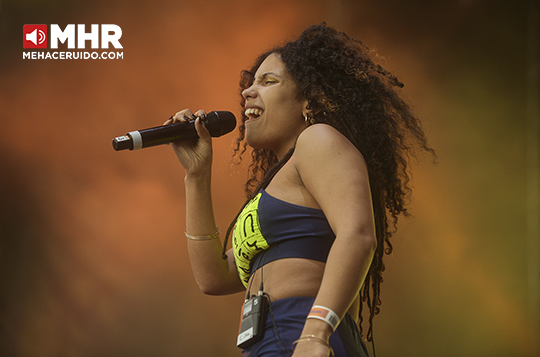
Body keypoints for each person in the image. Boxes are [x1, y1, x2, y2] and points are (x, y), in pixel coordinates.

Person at [165, 23, 434, 357]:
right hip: (271, 339)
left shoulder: (318, 140)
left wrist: (314, 334)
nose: (249, 92)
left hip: (302, 329)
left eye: (268, 81)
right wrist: (196, 174)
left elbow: (359, 234)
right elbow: (214, 278)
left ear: (310, 101)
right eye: (250, 84)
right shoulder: (279, 179)